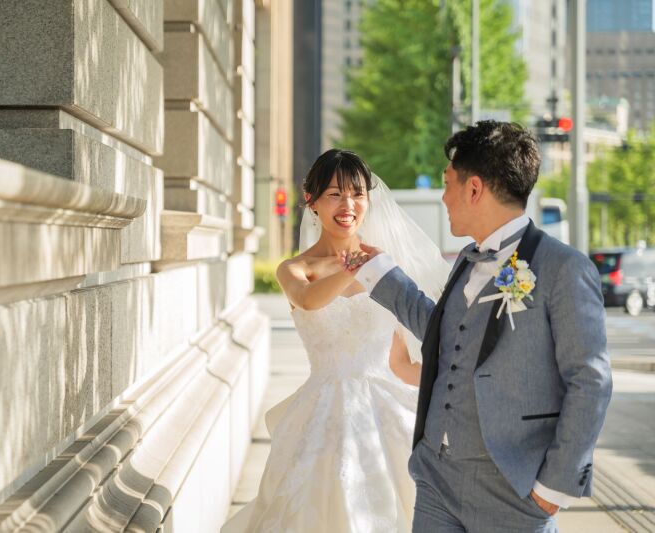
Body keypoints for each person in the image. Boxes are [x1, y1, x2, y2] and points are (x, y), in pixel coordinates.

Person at [344, 121, 613, 532]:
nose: (443, 196)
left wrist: (553, 488)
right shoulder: (467, 259)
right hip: (436, 479)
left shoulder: (564, 268)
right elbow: (446, 334)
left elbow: (590, 381)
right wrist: (380, 273)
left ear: (473, 189)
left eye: (447, 183)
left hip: (515, 490)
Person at [222, 149, 450, 532]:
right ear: (311, 201)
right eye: (335, 194)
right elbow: (309, 301)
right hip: (322, 418)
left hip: (385, 414)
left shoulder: (385, 265)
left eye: (357, 194)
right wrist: (357, 268)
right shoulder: (295, 269)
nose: (348, 205)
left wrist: (454, 382)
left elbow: (399, 363)